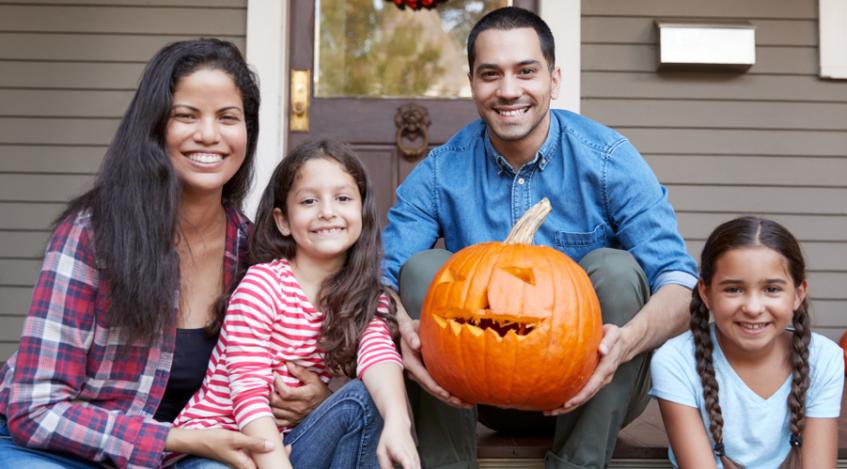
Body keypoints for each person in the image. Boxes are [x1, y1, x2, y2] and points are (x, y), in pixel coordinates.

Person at [381, 6, 699, 468]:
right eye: (491, 74)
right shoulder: (440, 170)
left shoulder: (609, 159)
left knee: (616, 268)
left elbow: (680, 286)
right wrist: (399, 327)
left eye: (525, 71)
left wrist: (624, 344)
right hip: (475, 389)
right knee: (421, 270)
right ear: (472, 83)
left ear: (554, 78)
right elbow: (380, 285)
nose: (509, 91)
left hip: (595, 387)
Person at [0, 39, 326, 469]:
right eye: (185, 116)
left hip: (188, 456)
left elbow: (279, 363)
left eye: (227, 118)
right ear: (154, 128)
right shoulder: (91, 235)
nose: (209, 134)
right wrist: (180, 438)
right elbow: (35, 407)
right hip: (54, 451)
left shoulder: (257, 251)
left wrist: (314, 397)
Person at [174, 140, 419, 469]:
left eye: (343, 198)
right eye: (309, 201)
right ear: (283, 220)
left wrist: (397, 425)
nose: (327, 211)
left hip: (293, 445)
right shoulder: (263, 285)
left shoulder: (365, 294)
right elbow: (247, 390)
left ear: (362, 211)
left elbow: (378, 356)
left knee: (364, 400)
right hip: (220, 446)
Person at [650, 217, 844, 468]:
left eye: (772, 289)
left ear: (798, 294)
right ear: (706, 293)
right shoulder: (675, 361)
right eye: (734, 289)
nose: (753, 308)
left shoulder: (823, 358)